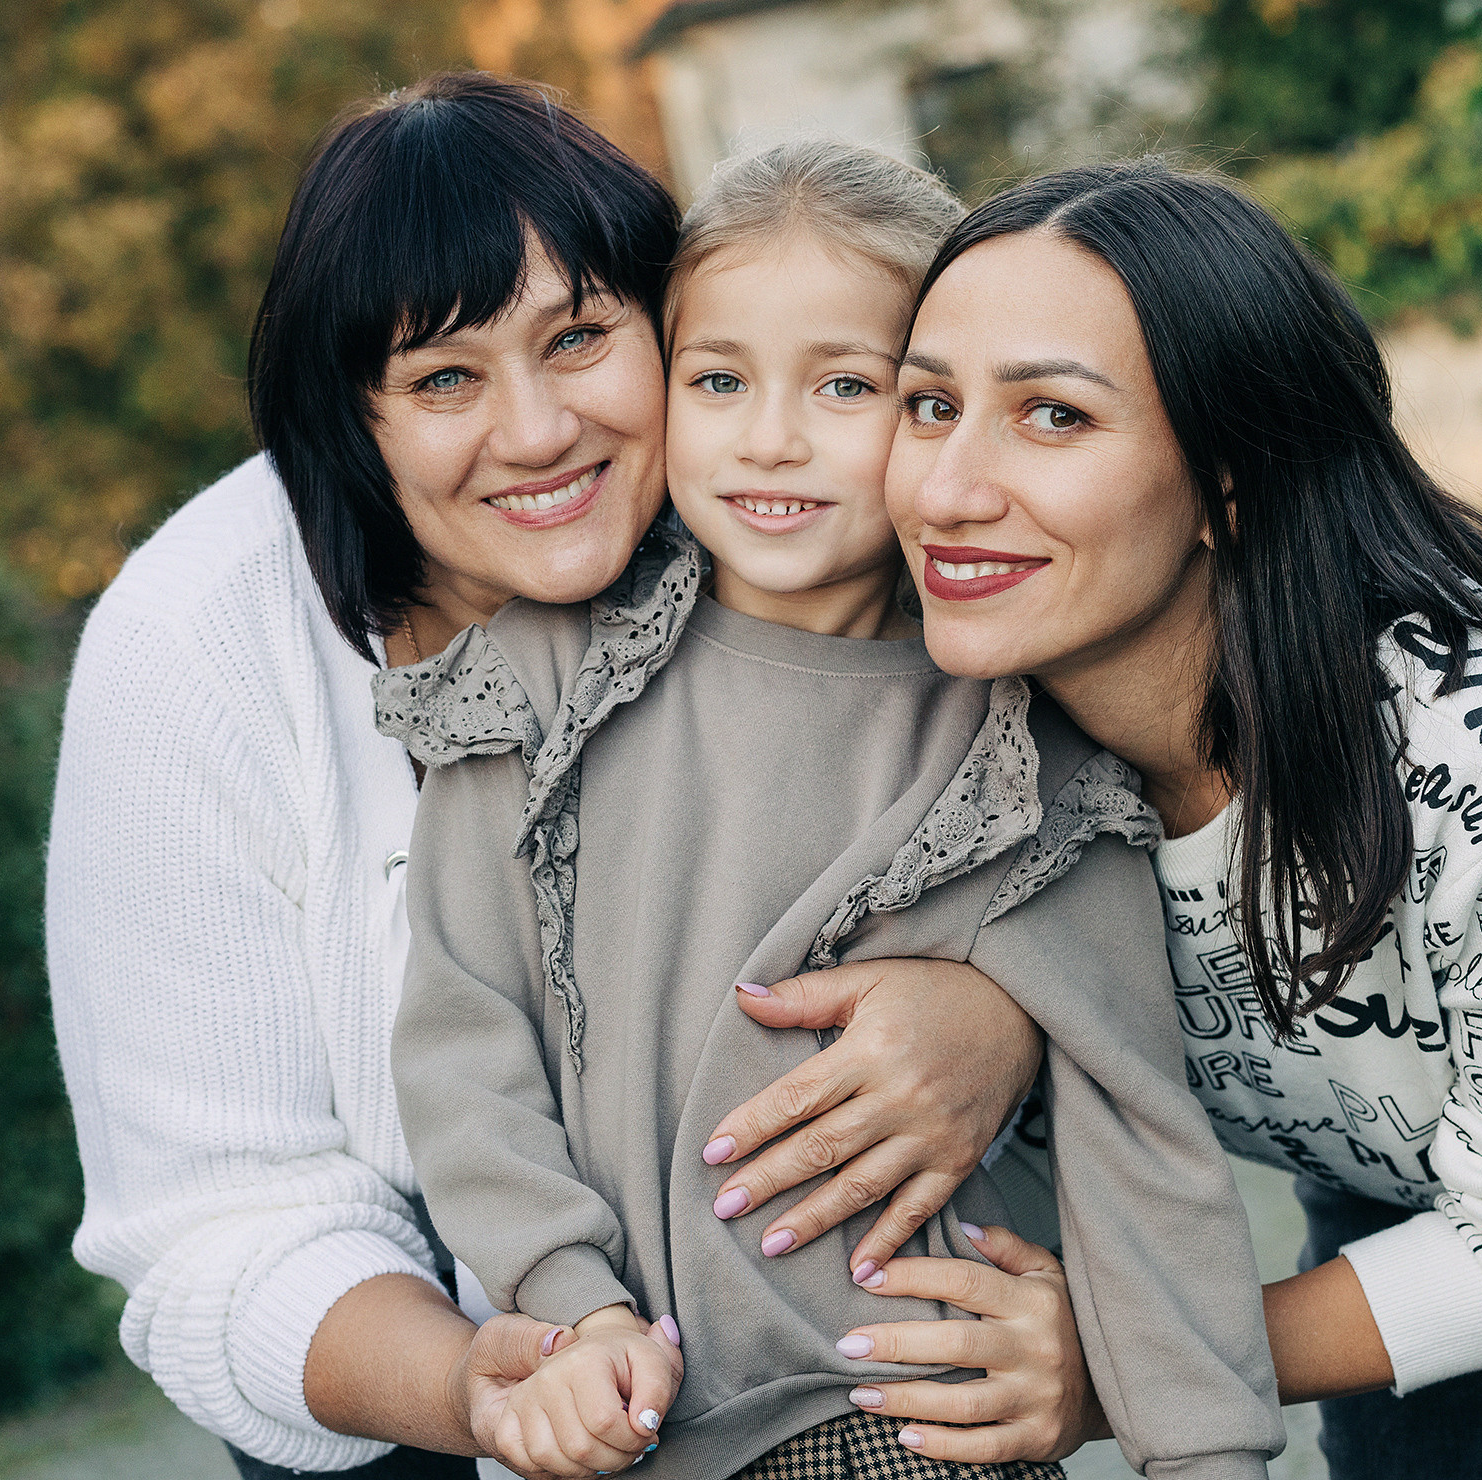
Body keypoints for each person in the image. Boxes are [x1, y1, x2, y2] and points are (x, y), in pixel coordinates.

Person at [44, 74, 1049, 1480]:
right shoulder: (196, 637)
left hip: (816, 1381)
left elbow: (1051, 825)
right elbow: (211, 1228)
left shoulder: (794, 531)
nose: (535, 433)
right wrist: (482, 1385)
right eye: (444, 378)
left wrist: (1004, 1015)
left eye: (577, 339)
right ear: (351, 416)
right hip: (411, 1401)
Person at [378, 139, 1282, 1480]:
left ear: (936, 417)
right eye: (720, 379)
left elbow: (1140, 1149)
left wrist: (1208, 1457)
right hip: (619, 1406)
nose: (773, 437)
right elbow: (465, 1038)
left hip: (902, 1421)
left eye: (850, 386)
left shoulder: (1026, 763)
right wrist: (568, 1302)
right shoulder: (541, 682)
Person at [850, 158, 1482, 1480]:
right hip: (1410, 1178)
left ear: (1230, 480)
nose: (947, 487)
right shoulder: (960, 752)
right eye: (929, 404)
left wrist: (1128, 1363)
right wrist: (987, 1006)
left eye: (1052, 418)